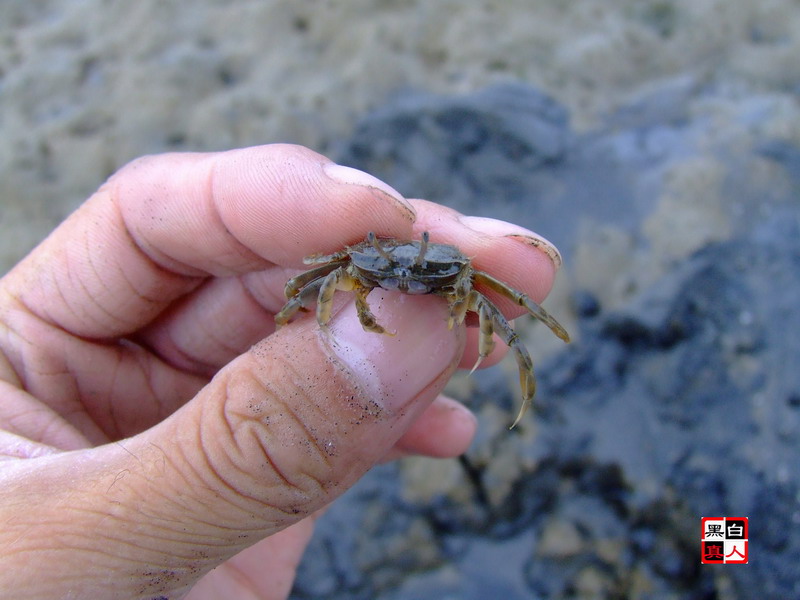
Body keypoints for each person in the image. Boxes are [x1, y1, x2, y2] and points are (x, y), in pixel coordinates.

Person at [0, 144, 561, 598]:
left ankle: (519, 387)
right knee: (307, 286)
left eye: (416, 273)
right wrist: (326, 324)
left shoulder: (454, 273)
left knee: (507, 325)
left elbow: (512, 302)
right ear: (368, 259)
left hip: (452, 277)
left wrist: (470, 307)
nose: (404, 280)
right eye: (391, 268)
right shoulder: (358, 263)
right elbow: (304, 281)